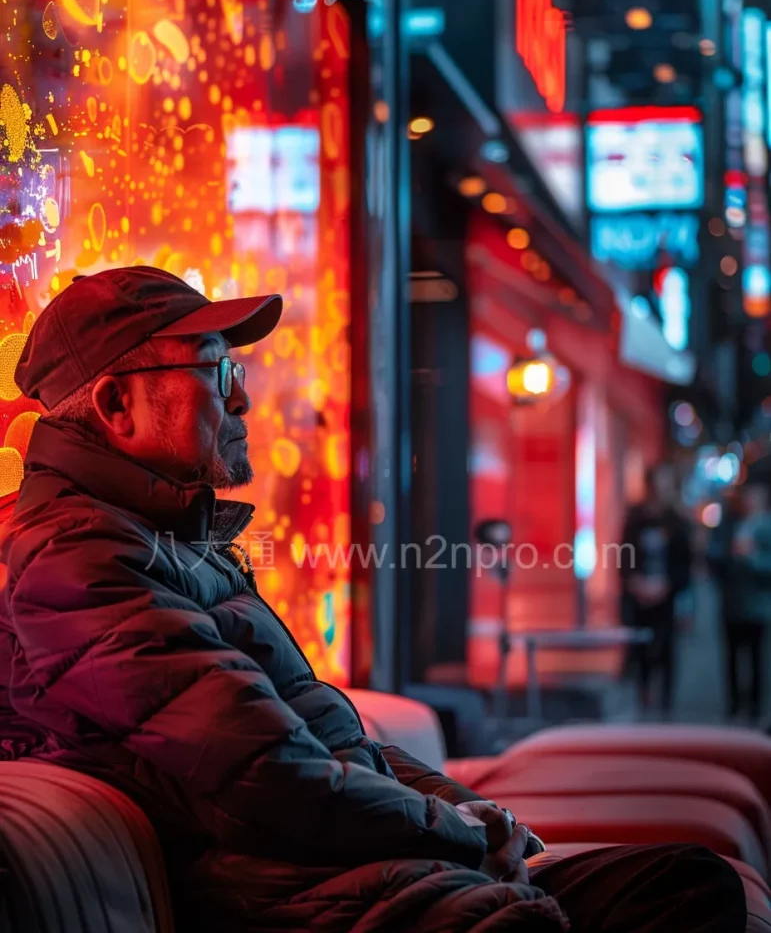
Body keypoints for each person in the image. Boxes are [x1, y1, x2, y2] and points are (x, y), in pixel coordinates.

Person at [0, 267, 745, 932]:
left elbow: (323, 735)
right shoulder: (75, 556)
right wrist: (456, 830)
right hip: (287, 892)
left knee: (684, 884)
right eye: (216, 369)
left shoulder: (166, 542)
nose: (244, 396)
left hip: (346, 869)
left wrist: (474, 813)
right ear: (115, 403)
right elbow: (268, 771)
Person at [621, 463, 692, 716]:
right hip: (640, 596)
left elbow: (685, 563)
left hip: (667, 595)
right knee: (641, 648)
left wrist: (669, 586)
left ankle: (666, 701)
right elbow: (624, 556)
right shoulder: (636, 518)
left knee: (667, 648)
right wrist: (634, 582)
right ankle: (644, 694)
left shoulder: (677, 521)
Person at [725, 482, 771, 719]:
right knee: (732, 655)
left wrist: (752, 557)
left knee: (756, 657)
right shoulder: (733, 524)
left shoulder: (766, 526)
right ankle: (734, 702)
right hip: (733, 603)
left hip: (757, 606)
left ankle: (754, 704)